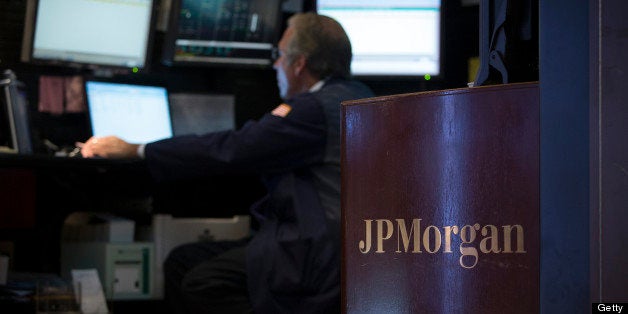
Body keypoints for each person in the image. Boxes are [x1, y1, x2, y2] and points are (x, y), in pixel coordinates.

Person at [80, 12, 374, 313]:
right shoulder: (361, 97)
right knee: (189, 260)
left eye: (279, 55)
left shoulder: (311, 111)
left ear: (299, 64)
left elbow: (233, 148)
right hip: (354, 254)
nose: (275, 65)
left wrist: (138, 149)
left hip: (312, 255)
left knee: (197, 279)